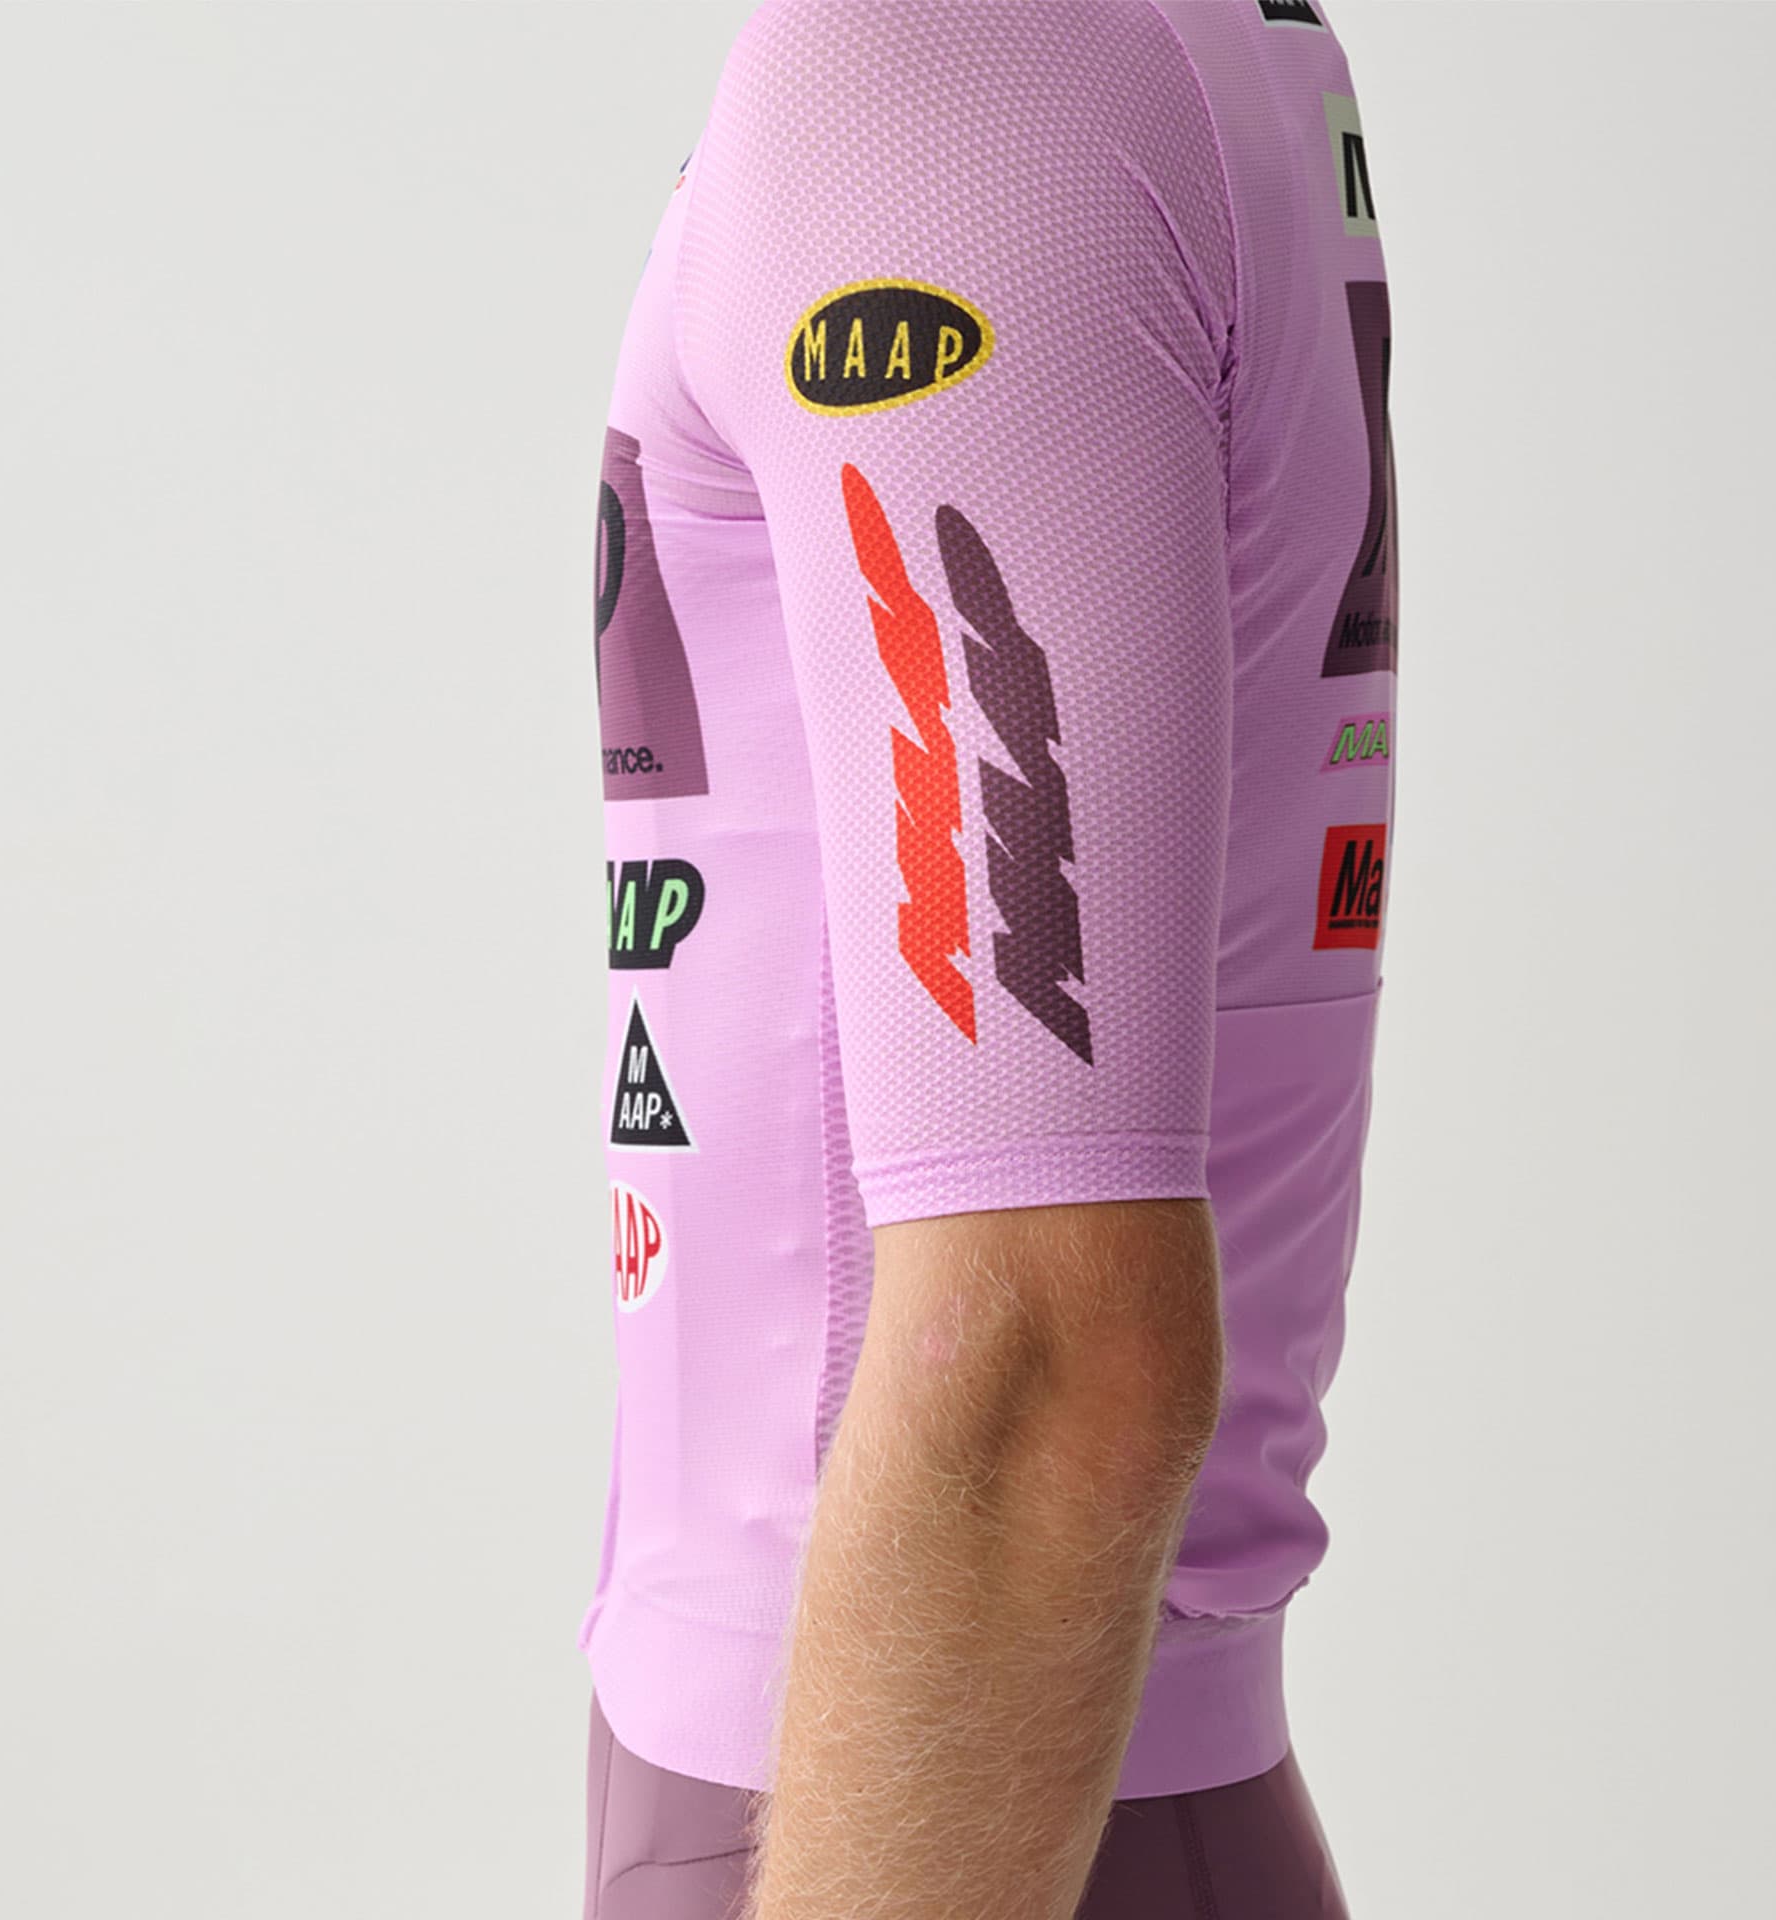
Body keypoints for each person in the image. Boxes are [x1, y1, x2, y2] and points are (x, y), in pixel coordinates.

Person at [581, 0, 1396, 1912]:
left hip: (912, 1782)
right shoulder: (1123, 47)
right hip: (991, 1766)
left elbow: (1042, 1356)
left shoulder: (950, 58)